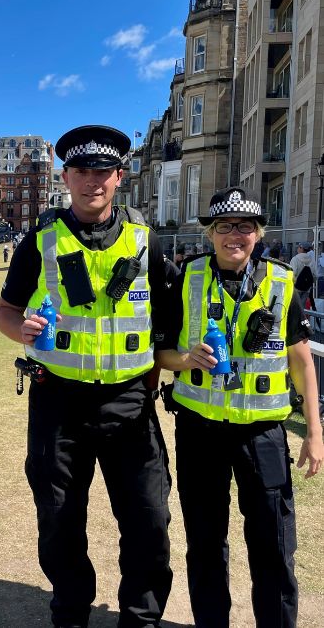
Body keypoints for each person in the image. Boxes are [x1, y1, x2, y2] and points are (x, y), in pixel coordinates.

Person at [0, 125, 172, 628]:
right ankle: (71, 613)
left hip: (130, 403)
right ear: (66, 177)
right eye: (80, 171)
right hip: (58, 403)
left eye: (102, 171)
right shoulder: (40, 242)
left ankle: (140, 617)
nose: (91, 180)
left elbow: (168, 327)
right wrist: (21, 331)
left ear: (118, 177)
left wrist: (155, 380)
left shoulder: (147, 243)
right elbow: (5, 311)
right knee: (59, 519)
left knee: (148, 519)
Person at [155, 186, 324, 628]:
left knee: (273, 546)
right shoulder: (185, 278)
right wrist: (185, 358)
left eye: (245, 226)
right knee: (206, 544)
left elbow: (301, 358)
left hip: (263, 433)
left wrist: (315, 433)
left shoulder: (282, 281)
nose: (235, 234)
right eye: (225, 226)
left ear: (258, 233)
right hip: (200, 431)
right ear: (210, 233)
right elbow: (161, 356)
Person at [290, 241, 316, 308]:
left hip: (296, 287)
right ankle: (302, 318)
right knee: (303, 308)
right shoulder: (312, 260)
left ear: (301, 248)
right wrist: (309, 283)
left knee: (294, 307)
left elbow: (292, 273)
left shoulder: (295, 259)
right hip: (306, 289)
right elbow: (315, 275)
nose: (298, 248)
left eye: (299, 247)